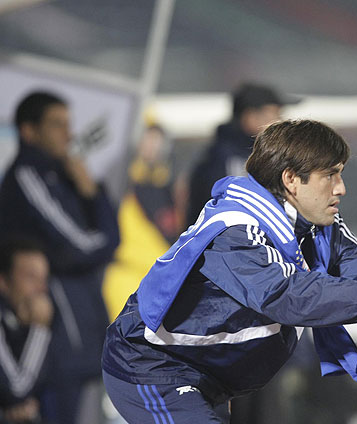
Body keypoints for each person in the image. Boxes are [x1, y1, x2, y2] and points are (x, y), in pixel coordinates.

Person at [102, 119, 357, 423]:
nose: (341, 188)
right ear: (291, 179)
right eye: (330, 175)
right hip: (154, 366)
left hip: (215, 373)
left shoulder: (318, 226)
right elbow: (285, 295)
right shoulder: (234, 231)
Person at [0, 91, 120, 424]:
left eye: (69, 125)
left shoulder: (63, 176)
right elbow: (82, 247)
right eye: (57, 125)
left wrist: (91, 193)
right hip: (52, 343)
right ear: (29, 130)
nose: (68, 134)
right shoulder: (26, 177)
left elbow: (99, 246)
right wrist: (95, 197)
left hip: (78, 334)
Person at [185, 82, 298, 227]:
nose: (280, 121)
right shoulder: (222, 160)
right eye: (275, 114)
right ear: (250, 117)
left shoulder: (250, 154)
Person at [102, 124, 179, 321]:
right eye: (148, 140)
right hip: (126, 273)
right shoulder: (122, 183)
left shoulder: (169, 189)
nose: (151, 147)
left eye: (156, 141)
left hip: (160, 280)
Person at [0, 238, 53, 424]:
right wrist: (40, 329)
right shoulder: (39, 324)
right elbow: (17, 389)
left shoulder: (23, 322)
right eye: (31, 277)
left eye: (44, 279)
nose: (41, 289)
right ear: (3, 281)